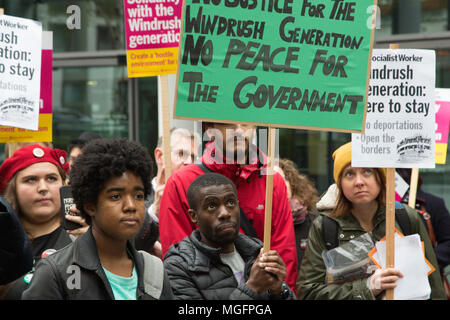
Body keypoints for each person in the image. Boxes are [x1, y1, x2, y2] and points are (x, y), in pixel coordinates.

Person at [22, 139, 174, 300]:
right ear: (90, 205)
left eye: (138, 196)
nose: (131, 205)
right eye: (116, 196)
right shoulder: (55, 272)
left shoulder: (155, 269)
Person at [159, 122, 298, 292]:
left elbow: (284, 257)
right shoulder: (181, 183)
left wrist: (281, 293)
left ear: (254, 127)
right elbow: (179, 264)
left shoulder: (272, 181)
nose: (238, 131)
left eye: (245, 123)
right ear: (209, 130)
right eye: (228, 124)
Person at [297, 142, 446, 300]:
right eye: (349, 174)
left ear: (380, 178)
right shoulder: (326, 226)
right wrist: (367, 287)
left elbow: (434, 286)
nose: (359, 181)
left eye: (367, 171)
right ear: (340, 183)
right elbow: (308, 291)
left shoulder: (405, 217)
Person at [164, 172, 296, 300]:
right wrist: (252, 287)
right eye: (211, 206)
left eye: (230, 203)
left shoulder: (257, 251)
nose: (225, 213)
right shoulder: (178, 266)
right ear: (194, 216)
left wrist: (278, 291)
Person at [0, 144, 74, 299]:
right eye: (31, 180)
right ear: (13, 189)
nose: (42, 188)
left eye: (51, 178)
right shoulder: (3, 246)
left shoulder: (84, 239)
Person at [134, 128, 199, 257]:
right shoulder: (135, 199)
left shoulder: (198, 201)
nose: (189, 162)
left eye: (193, 157)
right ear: (159, 156)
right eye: (181, 154)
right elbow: (131, 246)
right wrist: (155, 212)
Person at [396, 168, 450, 273]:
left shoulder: (433, 203)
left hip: (427, 278)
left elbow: (448, 242)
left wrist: (425, 263)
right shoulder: (375, 205)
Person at [274, 158, 319, 269]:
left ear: (292, 184)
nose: (280, 183)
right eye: (273, 180)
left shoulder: (315, 224)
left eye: (284, 178)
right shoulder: (259, 226)